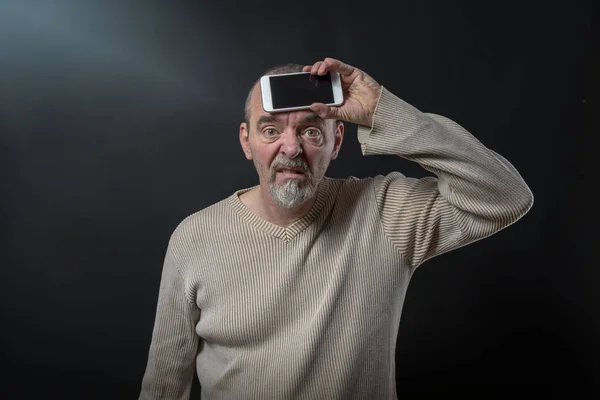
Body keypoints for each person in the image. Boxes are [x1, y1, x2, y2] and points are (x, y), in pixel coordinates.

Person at [138, 57, 533, 399]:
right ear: (247, 141)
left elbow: (506, 196)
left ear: (337, 139)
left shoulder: (385, 213)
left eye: (311, 131)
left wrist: (383, 110)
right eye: (270, 130)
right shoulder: (194, 238)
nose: (291, 149)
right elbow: (163, 385)